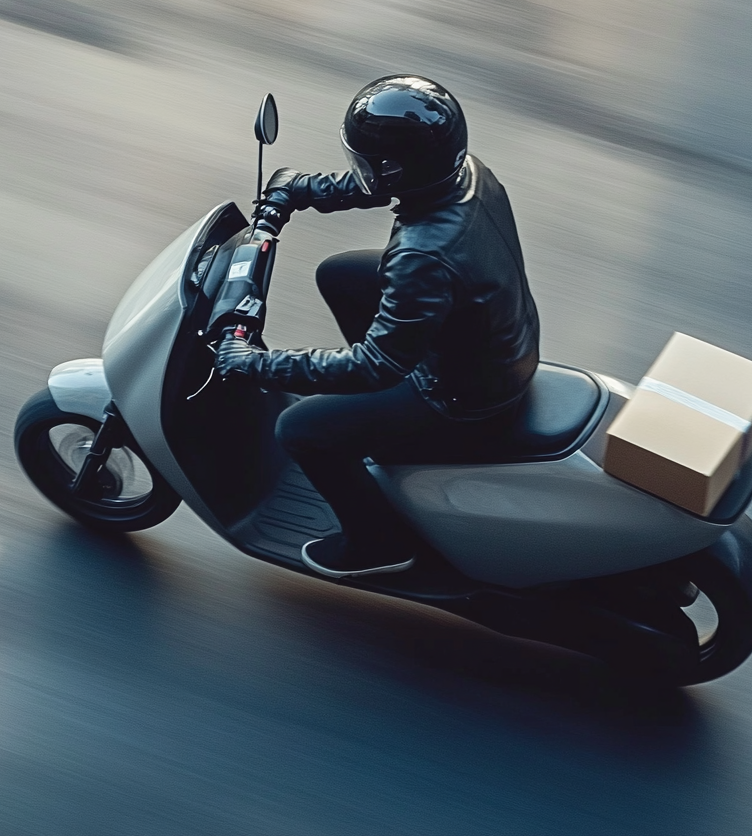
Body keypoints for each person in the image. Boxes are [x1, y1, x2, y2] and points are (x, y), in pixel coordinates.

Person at [215, 75, 540, 578]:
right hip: (494, 343)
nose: (360, 170)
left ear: (396, 167)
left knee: (298, 429)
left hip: (460, 397)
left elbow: (375, 366)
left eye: (367, 161)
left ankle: (377, 544)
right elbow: (382, 182)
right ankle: (373, 428)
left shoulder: (422, 256)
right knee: (341, 274)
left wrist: (258, 364)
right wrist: (298, 190)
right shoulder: (465, 173)